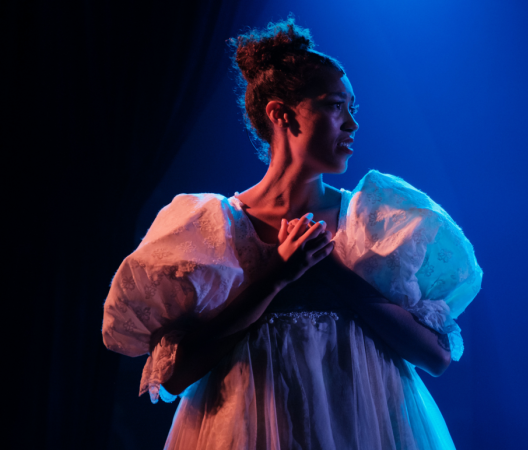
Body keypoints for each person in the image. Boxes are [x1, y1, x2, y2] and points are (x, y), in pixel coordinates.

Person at [102, 17, 482, 449]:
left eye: (352, 108)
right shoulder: (209, 231)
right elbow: (171, 379)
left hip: (365, 428)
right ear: (282, 114)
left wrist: (330, 271)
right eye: (336, 106)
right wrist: (276, 275)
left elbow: (435, 357)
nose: (352, 124)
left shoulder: (374, 221)